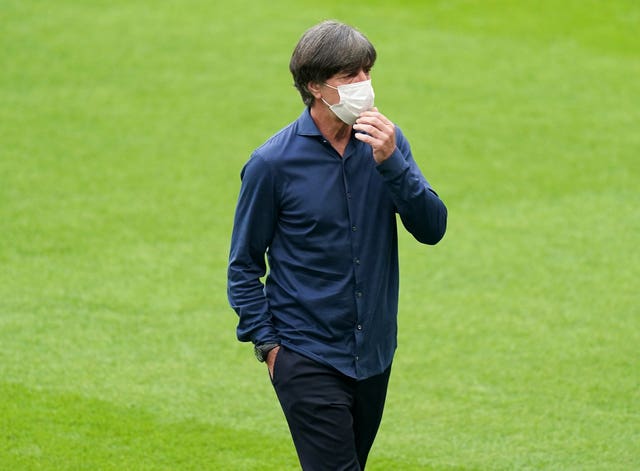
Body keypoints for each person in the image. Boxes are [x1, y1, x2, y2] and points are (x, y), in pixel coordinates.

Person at [227, 20, 447, 470]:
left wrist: (392, 164)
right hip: (305, 355)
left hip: (374, 356)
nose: (364, 86)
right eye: (350, 77)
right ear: (315, 87)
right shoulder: (271, 165)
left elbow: (432, 227)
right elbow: (244, 266)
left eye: (367, 73)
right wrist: (270, 349)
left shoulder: (386, 142)